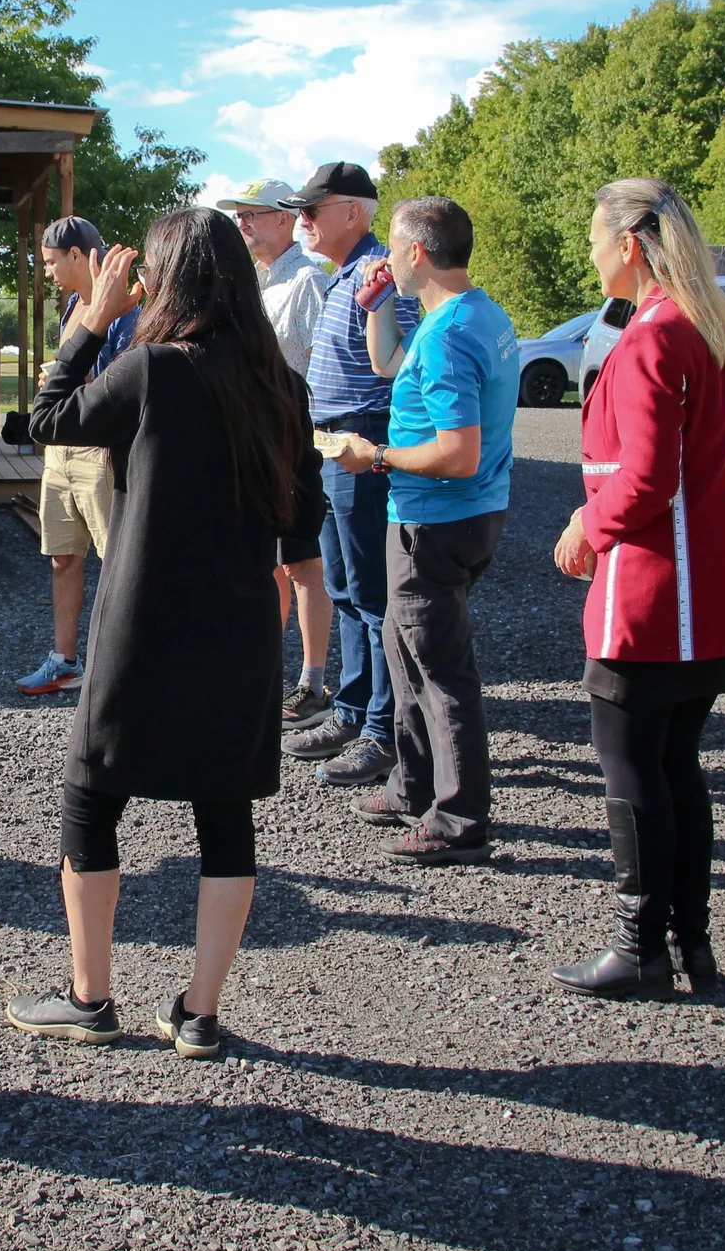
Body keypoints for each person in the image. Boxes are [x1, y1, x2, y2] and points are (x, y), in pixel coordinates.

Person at [5, 206, 323, 1061]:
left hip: (144, 622)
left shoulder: (154, 370)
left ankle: (90, 996)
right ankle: (200, 1013)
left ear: (168, 278)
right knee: (224, 813)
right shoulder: (279, 383)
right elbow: (305, 515)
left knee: (90, 795)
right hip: (242, 624)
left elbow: (48, 420)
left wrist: (91, 319)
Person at [549, 178, 725, 997]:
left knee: (632, 767)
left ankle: (639, 945)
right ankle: (692, 945)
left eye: (593, 234)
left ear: (629, 245)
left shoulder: (653, 336)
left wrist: (588, 523)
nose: (588, 250)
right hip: (717, 579)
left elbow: (647, 479)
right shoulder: (716, 324)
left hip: (658, 588)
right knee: (677, 760)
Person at [332, 198, 520, 863]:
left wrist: (374, 456)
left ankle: (460, 816)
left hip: (435, 520)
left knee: (440, 667)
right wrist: (377, 302)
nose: (385, 258)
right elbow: (390, 365)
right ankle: (411, 781)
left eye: (394, 250)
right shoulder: (476, 313)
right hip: (458, 513)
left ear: (417, 253)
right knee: (401, 642)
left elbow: (457, 451)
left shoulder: (446, 336)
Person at [279, 161, 417, 784]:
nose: (301, 221)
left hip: (364, 436)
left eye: (313, 209)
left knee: (370, 592)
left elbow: (403, 370)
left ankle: (382, 729)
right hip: (338, 443)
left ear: (354, 212)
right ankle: (356, 709)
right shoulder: (348, 275)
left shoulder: (380, 275)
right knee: (345, 586)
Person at [207, 179, 335, 729]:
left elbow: (314, 370)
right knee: (270, 562)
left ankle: (313, 681)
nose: (244, 226)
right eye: (239, 218)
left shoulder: (306, 281)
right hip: (257, 441)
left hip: (289, 440)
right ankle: (267, 669)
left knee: (303, 563)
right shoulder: (255, 283)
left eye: (253, 215)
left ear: (285, 219)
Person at [15, 215, 140, 696]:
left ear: (77, 256)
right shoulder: (71, 305)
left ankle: (118, 667)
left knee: (118, 563)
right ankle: (64, 661)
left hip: (101, 455)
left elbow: (123, 386)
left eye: (50, 262)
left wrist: (74, 384)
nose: (46, 271)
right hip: (60, 455)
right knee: (62, 559)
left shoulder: (126, 310)